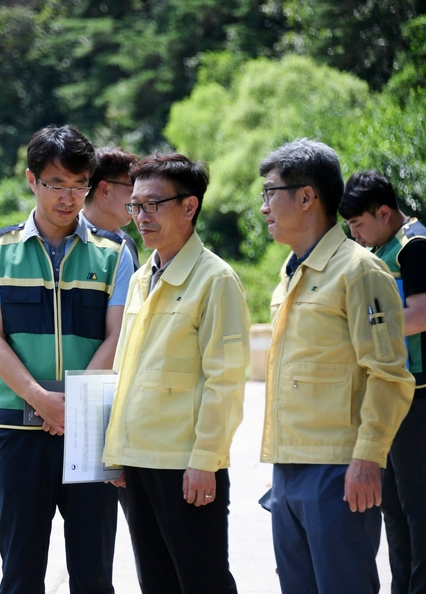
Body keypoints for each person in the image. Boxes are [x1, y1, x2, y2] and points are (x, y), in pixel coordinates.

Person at [0, 124, 130, 593]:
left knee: (93, 571)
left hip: (92, 434)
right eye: (56, 184)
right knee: (21, 571)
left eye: (79, 184)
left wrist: (74, 407)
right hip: (19, 431)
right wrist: (43, 400)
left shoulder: (114, 254)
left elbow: (118, 337)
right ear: (31, 180)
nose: (68, 197)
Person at [258, 140, 414, 594]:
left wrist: (368, 457)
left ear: (307, 197)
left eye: (270, 193)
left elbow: (389, 373)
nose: (265, 207)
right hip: (287, 467)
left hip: (339, 469)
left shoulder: (359, 271)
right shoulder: (291, 273)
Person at [102, 153, 250, 594]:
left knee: (202, 579)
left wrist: (206, 460)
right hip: (138, 461)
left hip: (185, 466)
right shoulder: (143, 275)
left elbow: (225, 380)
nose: (141, 217)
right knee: (157, 581)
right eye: (135, 206)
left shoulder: (215, 280)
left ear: (189, 207)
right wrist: (117, 453)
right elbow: (128, 368)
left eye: (153, 205)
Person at [339, 170, 426, 594]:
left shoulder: (414, 246)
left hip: (417, 394)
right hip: (392, 394)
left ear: (385, 212)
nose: (355, 235)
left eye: (358, 225)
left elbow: (422, 313)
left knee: (417, 506)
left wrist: (368, 333)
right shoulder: (380, 248)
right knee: (391, 507)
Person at [84, 146, 141, 270]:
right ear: (105, 190)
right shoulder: (69, 240)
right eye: (132, 188)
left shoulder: (127, 242)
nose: (137, 197)